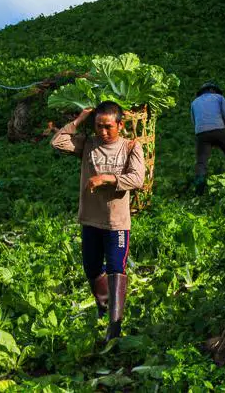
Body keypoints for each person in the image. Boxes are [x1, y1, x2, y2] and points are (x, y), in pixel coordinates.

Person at [51, 101, 145, 342]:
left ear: (120, 125)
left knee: (116, 268)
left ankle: (115, 326)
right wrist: (80, 119)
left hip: (117, 223)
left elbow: (137, 179)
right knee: (92, 268)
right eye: (98, 126)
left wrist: (106, 179)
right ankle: (104, 308)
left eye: (108, 127)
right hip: (91, 220)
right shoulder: (88, 145)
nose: (102, 132)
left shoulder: (130, 147)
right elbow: (58, 142)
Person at [191, 81, 225, 195]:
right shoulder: (219, 97)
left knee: (201, 162)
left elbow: (194, 121)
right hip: (220, 130)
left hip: (202, 133)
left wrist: (201, 132)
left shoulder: (194, 102)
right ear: (213, 90)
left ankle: (199, 190)